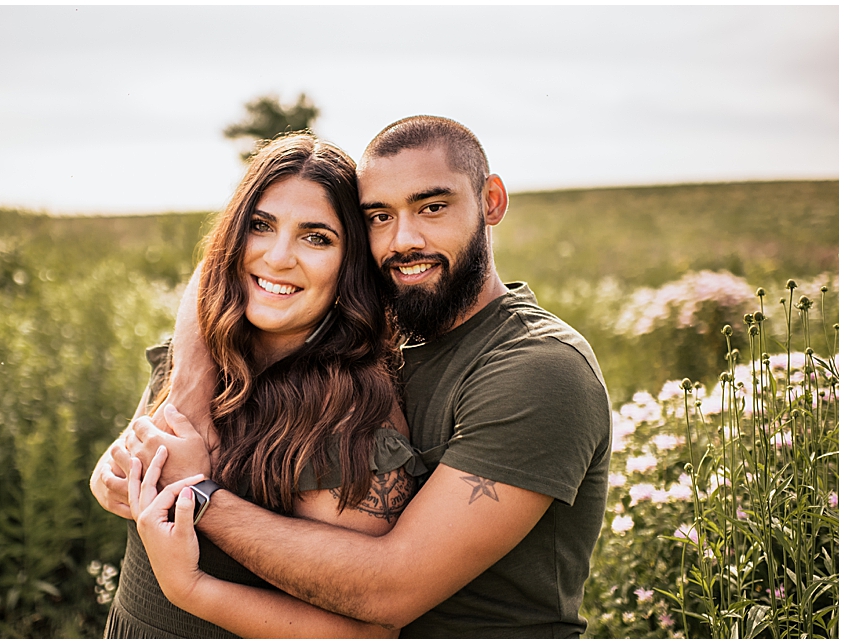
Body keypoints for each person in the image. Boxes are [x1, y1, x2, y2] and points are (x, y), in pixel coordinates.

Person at [119, 116, 613, 637]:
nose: (404, 239)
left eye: (432, 207)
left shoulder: (538, 369)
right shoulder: (389, 313)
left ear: (491, 201)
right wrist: (189, 397)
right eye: (379, 216)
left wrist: (192, 495)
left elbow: (389, 592)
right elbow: (237, 268)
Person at [89, 132, 424, 638]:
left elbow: (360, 633)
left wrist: (192, 584)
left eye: (317, 237)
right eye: (260, 226)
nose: (277, 257)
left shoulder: (348, 415)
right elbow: (116, 469)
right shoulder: (200, 359)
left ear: (351, 264)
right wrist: (113, 480)